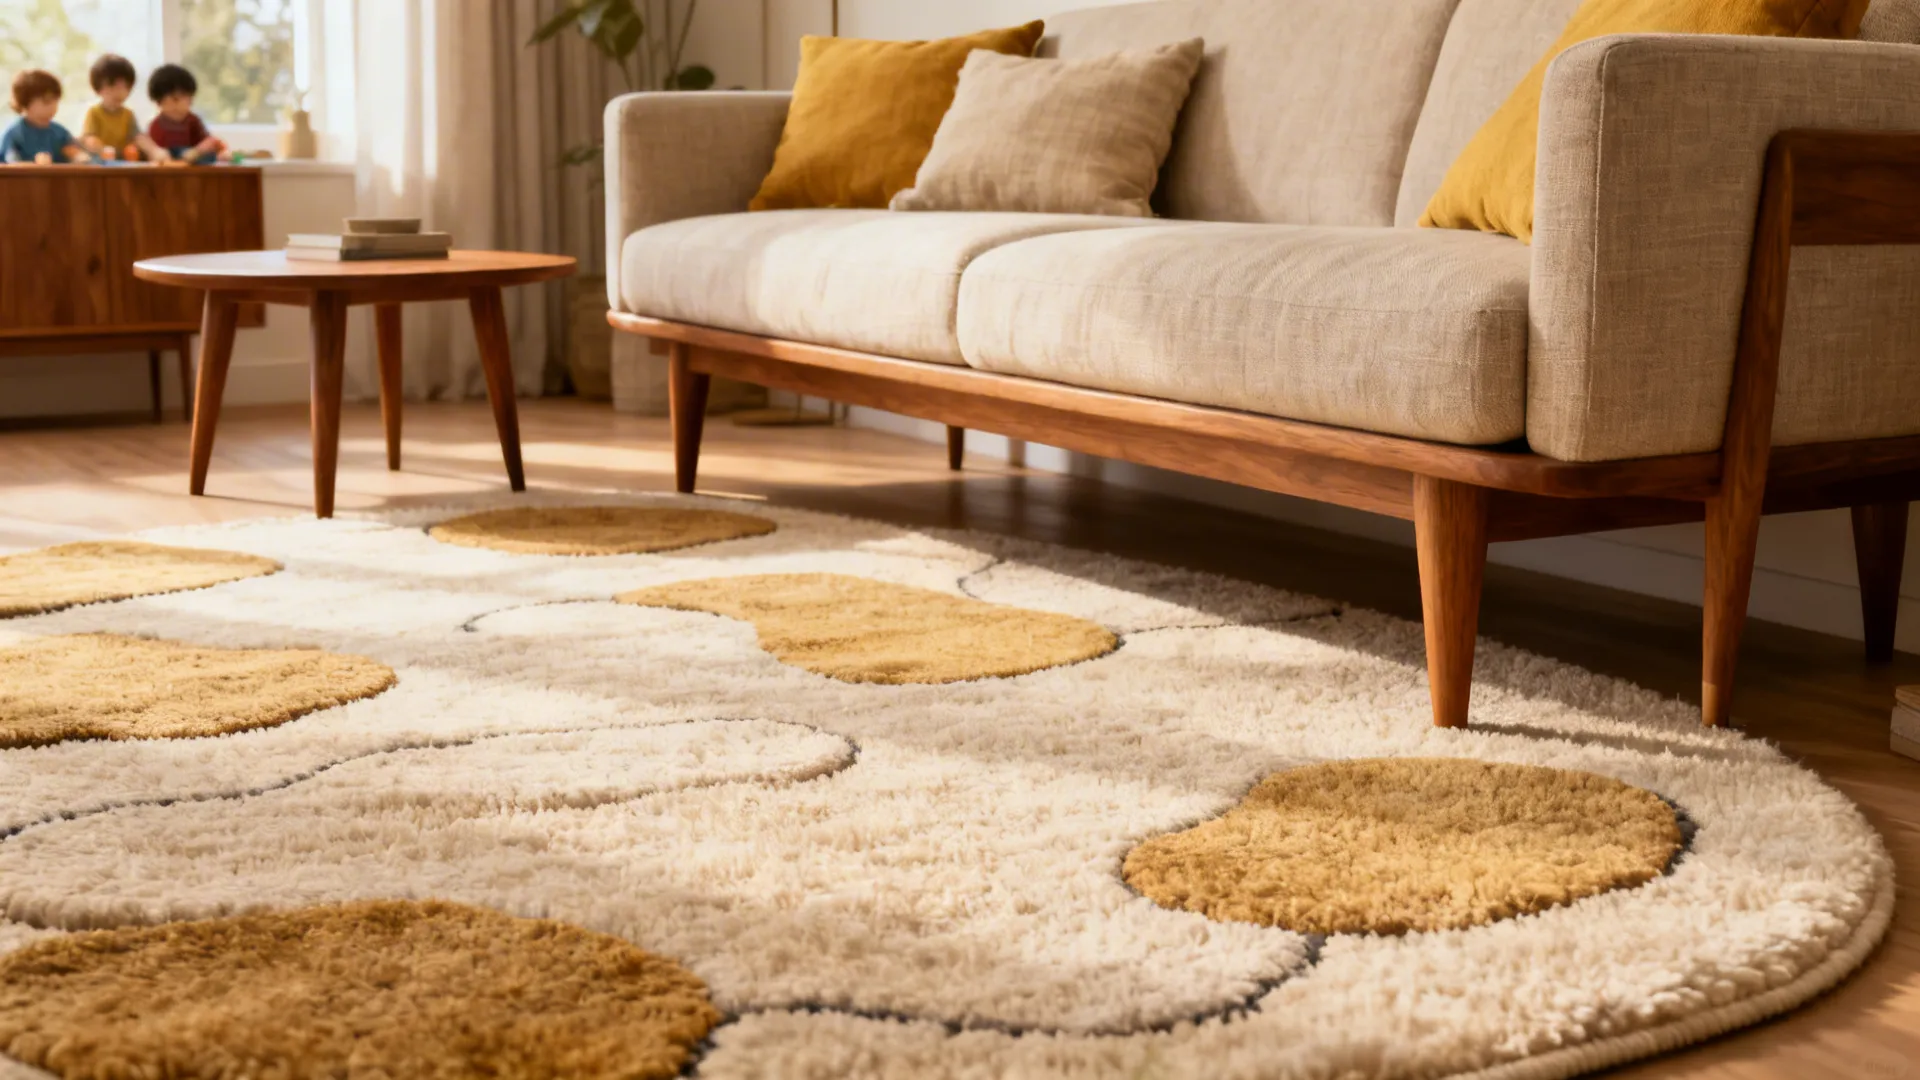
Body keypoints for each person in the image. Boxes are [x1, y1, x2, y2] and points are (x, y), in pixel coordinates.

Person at [82, 54, 158, 161]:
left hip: (124, 163)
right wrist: (102, 149)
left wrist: (154, 151)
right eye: (113, 86)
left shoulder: (128, 114)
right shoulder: (94, 112)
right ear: (98, 87)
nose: (120, 92)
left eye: (125, 87)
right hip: (100, 163)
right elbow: (89, 139)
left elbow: (138, 137)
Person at [2, 70, 88, 164]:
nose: (53, 107)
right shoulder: (15, 134)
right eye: (46, 102)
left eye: (56, 101)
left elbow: (74, 151)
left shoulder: (59, 132)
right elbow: (11, 163)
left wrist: (78, 156)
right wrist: (35, 165)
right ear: (25, 102)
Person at [145, 63, 225, 164]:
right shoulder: (156, 125)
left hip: (191, 168)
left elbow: (206, 141)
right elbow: (154, 152)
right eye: (173, 99)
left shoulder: (193, 121)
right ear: (159, 102)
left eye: (184, 98)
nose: (178, 105)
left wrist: (198, 150)